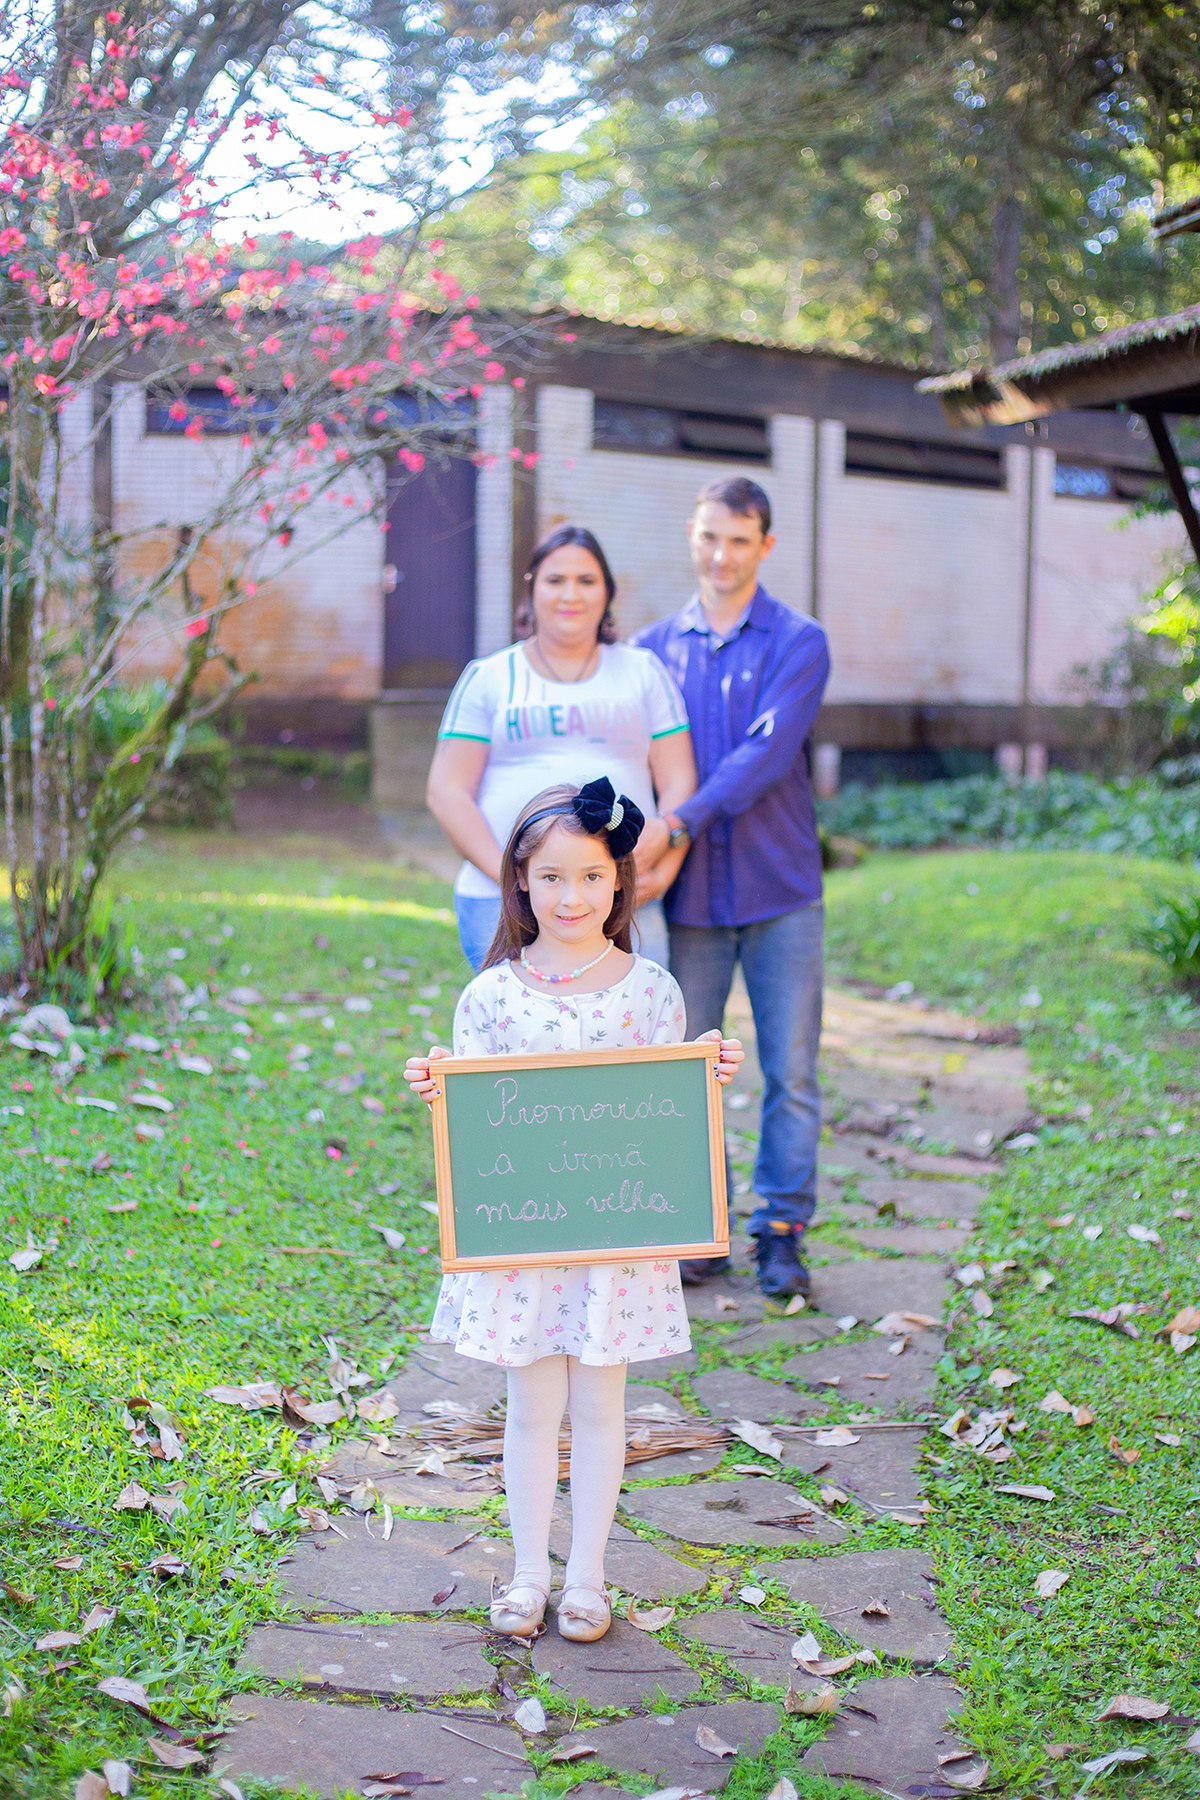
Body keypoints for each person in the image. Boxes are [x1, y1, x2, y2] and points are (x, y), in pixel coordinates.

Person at [405, 777, 743, 1643]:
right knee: (529, 1407)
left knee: (601, 1408)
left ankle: (588, 1579)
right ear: (520, 880)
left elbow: (669, 1112)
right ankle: (526, 1574)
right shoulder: (491, 997)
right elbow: (478, 1128)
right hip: (526, 1240)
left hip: (618, 1244)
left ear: (619, 883)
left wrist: (704, 1073)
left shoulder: (651, 990)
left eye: (592, 877)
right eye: (552, 877)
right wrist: (440, 1089)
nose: (572, 896)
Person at [632, 477, 830, 1301]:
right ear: (692, 534)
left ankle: (780, 1232)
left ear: (766, 547)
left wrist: (677, 823)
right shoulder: (649, 651)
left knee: (791, 1069)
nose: (722, 555)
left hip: (781, 889)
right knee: (688, 1070)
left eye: (740, 541)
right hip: (691, 901)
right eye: (710, 537)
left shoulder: (799, 640)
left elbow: (765, 757)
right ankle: (702, 1230)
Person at [426, 524, 697, 973]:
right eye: (555, 580)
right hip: (498, 901)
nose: (570, 594)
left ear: (607, 593)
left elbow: (680, 781)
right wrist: (514, 881)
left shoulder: (643, 672)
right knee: (518, 1038)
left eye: (586, 581)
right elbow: (447, 791)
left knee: (631, 1036)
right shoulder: (488, 676)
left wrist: (663, 875)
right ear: (531, 590)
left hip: (620, 897)